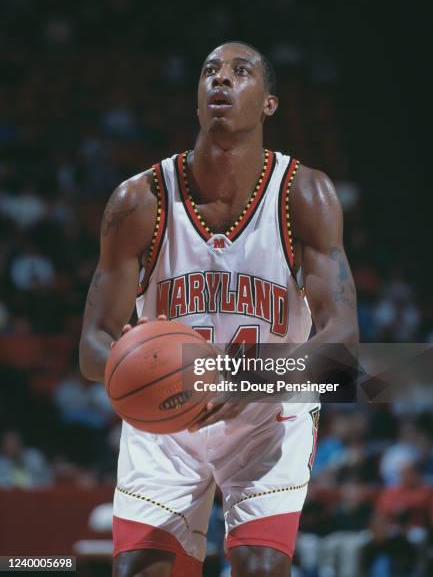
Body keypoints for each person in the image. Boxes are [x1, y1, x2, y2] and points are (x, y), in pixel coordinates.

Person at [80, 41, 358, 577]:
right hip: (165, 420)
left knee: (257, 566)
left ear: (269, 103)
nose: (221, 80)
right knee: (143, 569)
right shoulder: (139, 202)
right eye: (210, 72)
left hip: (266, 415)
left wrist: (244, 379)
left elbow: (342, 346)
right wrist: (136, 370)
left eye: (240, 71)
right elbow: (93, 347)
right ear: (197, 99)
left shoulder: (305, 195)